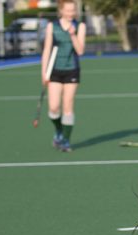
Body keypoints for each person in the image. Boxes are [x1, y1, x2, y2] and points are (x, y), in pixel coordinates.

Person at [41, 0, 86, 152]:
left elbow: (80, 51)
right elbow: (47, 50)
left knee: (68, 106)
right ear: (61, 11)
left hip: (72, 70)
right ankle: (59, 131)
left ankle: (66, 140)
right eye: (67, 11)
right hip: (54, 71)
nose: (70, 13)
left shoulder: (80, 26)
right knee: (54, 108)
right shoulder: (51, 26)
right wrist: (44, 72)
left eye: (73, 10)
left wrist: (73, 35)